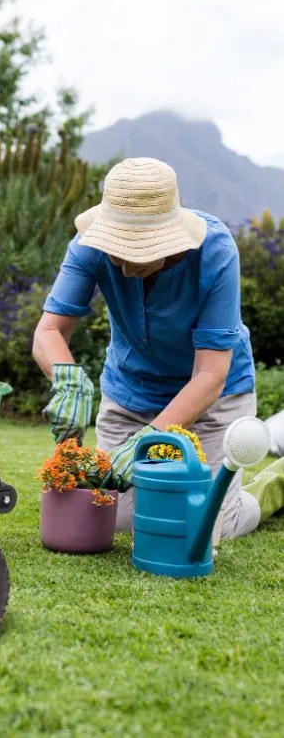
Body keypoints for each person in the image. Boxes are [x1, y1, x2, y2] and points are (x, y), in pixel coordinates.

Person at [32, 156, 284, 542]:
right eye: (117, 250)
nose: (125, 266)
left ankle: (269, 488)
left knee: (200, 526)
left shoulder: (215, 252)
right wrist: (65, 377)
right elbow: (49, 330)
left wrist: (150, 440)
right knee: (110, 513)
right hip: (132, 393)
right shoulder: (88, 246)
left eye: (138, 252)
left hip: (214, 397)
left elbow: (210, 375)